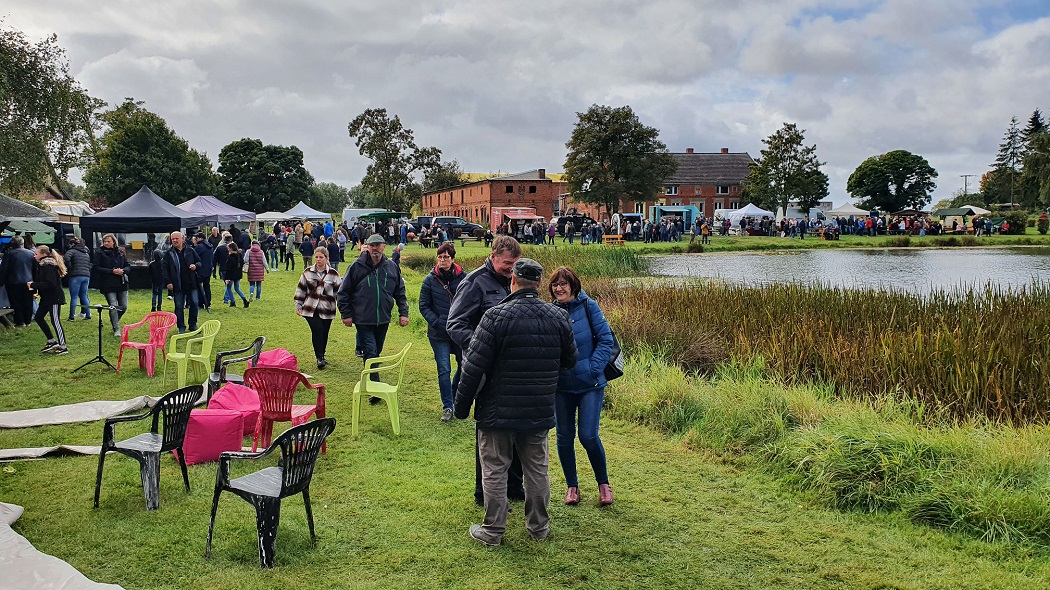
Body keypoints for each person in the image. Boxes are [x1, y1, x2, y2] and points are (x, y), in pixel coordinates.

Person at [454, 258, 577, 546]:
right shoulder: (558, 317)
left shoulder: (495, 317)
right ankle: (539, 527)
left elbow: (473, 367)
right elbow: (570, 360)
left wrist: (460, 407)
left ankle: (493, 530)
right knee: (537, 468)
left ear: (513, 281)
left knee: (495, 468)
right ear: (538, 283)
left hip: (497, 409)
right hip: (538, 407)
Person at [446, 235, 527, 506]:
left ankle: (514, 487)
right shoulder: (474, 283)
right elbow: (455, 324)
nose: (511, 269)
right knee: (489, 433)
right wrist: (481, 346)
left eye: (515, 264)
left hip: (514, 368)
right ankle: (483, 492)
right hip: (486, 368)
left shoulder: (515, 283)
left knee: (516, 428)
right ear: (493, 257)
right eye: (507, 263)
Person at [548, 266, 616, 507]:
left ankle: (604, 485)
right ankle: (572, 487)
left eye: (563, 283)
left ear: (573, 285)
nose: (559, 288)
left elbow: (606, 339)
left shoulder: (590, 307)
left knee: (588, 435)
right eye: (555, 284)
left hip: (590, 384)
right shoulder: (550, 312)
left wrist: (592, 369)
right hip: (562, 387)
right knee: (564, 437)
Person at [337, 234, 409, 388]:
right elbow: (343, 292)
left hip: (383, 318)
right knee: (371, 352)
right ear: (367, 247)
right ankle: (373, 386)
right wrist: (346, 314)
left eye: (378, 245)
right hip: (363, 319)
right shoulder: (356, 267)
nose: (375, 248)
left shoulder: (392, 267)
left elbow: (400, 293)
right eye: (372, 245)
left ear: (384, 246)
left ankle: (370, 379)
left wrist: (404, 313)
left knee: (376, 352)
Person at [418, 243, 465, 422]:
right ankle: (448, 406)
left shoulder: (464, 278)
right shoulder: (429, 280)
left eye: (446, 257)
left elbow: (471, 303)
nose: (442, 260)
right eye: (440, 257)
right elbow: (423, 306)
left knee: (464, 366)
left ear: (452, 259)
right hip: (438, 333)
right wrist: (437, 322)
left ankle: (453, 395)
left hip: (459, 331)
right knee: (444, 369)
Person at [294, 246, 343, 370]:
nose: (318, 259)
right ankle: (319, 357)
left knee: (324, 332)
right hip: (310, 308)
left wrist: (344, 309)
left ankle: (322, 354)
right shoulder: (307, 272)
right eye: (316, 257)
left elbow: (340, 293)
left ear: (326, 258)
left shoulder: (333, 274)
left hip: (327, 308)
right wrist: (298, 305)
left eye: (321, 257)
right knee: (317, 330)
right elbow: (301, 289)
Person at [29, 245, 69, 354]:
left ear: (43, 254)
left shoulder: (48, 266)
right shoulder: (42, 265)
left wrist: (34, 284)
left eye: (36, 254)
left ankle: (63, 346)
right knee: (38, 317)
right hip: (46, 297)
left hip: (54, 297)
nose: (34, 256)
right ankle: (51, 340)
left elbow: (50, 284)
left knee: (55, 320)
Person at [161, 231, 202, 333]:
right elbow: (164, 269)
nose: (174, 240)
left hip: (191, 283)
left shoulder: (190, 250)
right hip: (177, 285)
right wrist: (168, 282)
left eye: (176, 238)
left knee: (194, 303)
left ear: (182, 239)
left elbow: (200, 262)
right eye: (173, 239)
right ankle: (181, 327)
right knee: (179, 306)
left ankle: (192, 324)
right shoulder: (169, 254)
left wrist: (195, 266)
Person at [93, 233, 131, 337]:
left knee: (123, 306)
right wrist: (111, 271)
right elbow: (96, 267)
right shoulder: (99, 253)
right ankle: (116, 328)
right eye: (105, 241)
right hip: (107, 283)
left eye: (108, 241)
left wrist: (123, 271)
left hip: (121, 282)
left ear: (114, 242)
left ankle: (115, 320)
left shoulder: (120, 252)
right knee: (113, 305)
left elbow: (128, 265)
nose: (106, 243)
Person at [0, 236, 35, 327]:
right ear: (22, 243)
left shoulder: (9, 254)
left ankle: (20, 321)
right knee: (28, 301)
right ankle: (28, 320)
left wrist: (1, 281)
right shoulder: (31, 253)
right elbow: (35, 269)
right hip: (29, 280)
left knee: (16, 302)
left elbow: (4, 269)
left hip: (13, 281)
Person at [63, 237, 92, 321]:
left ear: (72, 244)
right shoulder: (86, 253)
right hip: (86, 276)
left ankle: (71, 317)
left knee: (74, 297)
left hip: (75, 275)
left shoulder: (71, 251)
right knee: (84, 296)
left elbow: (66, 258)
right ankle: (88, 314)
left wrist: (70, 266)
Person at [223, 242, 249, 308]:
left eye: (228, 248)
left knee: (229, 288)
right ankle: (244, 299)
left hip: (231, 275)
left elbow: (228, 269)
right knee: (237, 288)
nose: (228, 249)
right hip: (238, 275)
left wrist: (226, 278)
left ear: (231, 249)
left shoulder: (230, 257)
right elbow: (242, 263)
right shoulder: (239, 255)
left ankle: (232, 302)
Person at [193, 232, 214, 311]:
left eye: (196, 238)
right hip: (208, 269)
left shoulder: (199, 247)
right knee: (207, 287)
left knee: (199, 287)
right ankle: (208, 303)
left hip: (201, 269)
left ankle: (201, 304)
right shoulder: (209, 246)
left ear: (200, 238)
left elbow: (194, 256)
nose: (195, 240)